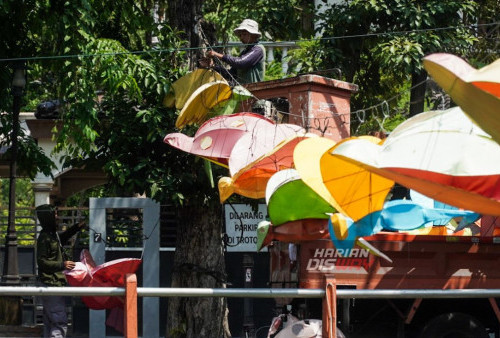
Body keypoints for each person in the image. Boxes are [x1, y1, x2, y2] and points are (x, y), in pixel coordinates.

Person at [36, 204, 85, 338]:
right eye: (54, 214)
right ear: (48, 217)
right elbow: (42, 262)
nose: (57, 217)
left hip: (54, 283)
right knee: (60, 322)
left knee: (50, 322)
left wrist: (76, 228)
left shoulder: (52, 235)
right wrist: (62, 265)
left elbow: (61, 240)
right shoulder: (44, 238)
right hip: (51, 284)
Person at [202, 19, 266, 85]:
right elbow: (231, 74)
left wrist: (218, 55)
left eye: (244, 34)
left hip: (255, 90)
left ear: (254, 35)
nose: (241, 38)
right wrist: (213, 66)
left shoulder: (258, 49)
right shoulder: (245, 52)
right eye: (240, 35)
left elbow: (241, 62)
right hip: (243, 90)